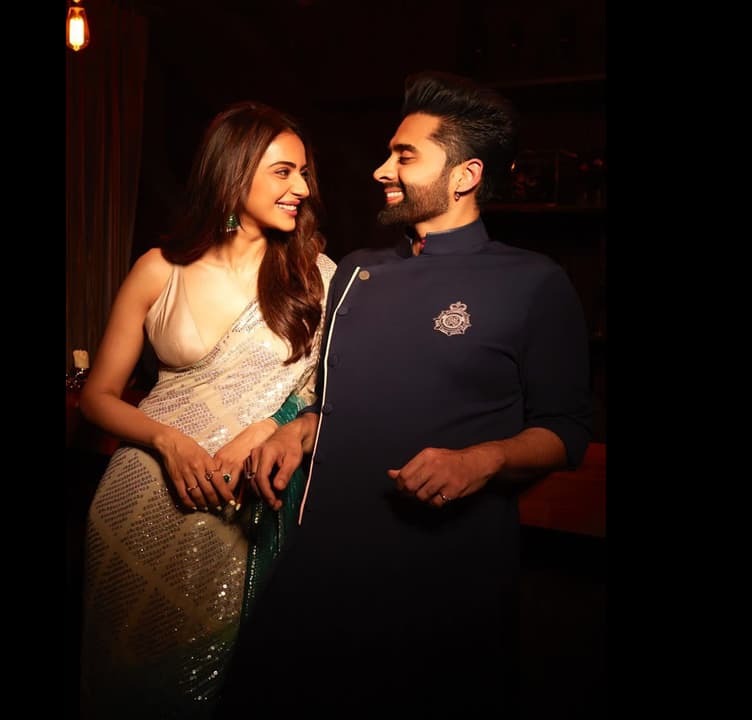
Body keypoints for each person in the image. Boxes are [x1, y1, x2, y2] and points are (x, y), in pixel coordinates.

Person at [217, 72, 594, 717]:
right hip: (325, 559)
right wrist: (297, 430)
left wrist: (484, 459)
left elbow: (566, 430)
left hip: (445, 575)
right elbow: (336, 398)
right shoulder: (357, 271)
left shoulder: (533, 282)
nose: (381, 170)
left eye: (405, 156)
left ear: (465, 176)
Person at [76, 101, 337, 719]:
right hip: (139, 504)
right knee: (124, 685)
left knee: (219, 686)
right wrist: (169, 442)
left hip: (243, 509)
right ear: (233, 171)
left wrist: (272, 426)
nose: (302, 188)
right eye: (283, 172)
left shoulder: (317, 277)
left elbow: (331, 398)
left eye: (303, 173)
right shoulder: (159, 269)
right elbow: (96, 397)